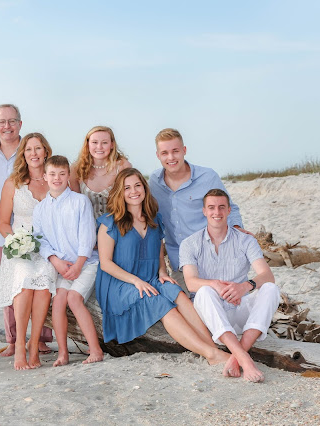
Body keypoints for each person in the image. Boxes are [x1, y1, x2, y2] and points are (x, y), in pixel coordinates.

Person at [96, 168, 230, 366]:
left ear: (144, 188)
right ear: (120, 192)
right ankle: (210, 354)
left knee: (178, 293)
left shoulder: (153, 219)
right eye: (127, 188)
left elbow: (159, 253)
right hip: (120, 284)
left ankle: (211, 345)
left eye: (137, 185)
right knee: (160, 303)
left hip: (150, 277)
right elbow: (105, 263)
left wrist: (162, 272)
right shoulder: (110, 223)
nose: (133, 191)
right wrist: (136, 281)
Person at [180, 189, 281, 383]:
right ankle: (245, 359)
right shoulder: (190, 244)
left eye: (221, 207)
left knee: (270, 288)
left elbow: (267, 275)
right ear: (204, 211)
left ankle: (237, 356)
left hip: (241, 311)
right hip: (213, 318)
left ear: (228, 211)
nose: (216, 212)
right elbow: (191, 282)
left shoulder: (246, 240)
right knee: (204, 292)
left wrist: (244, 287)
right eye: (211, 208)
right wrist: (215, 285)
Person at [0, 104, 53, 357]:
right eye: (1, 122)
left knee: (41, 284)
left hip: (48, 243)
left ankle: (41, 339)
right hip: (9, 237)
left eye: (12, 121)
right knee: (18, 284)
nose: (7, 126)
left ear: (19, 124)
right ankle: (15, 342)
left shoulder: (50, 172)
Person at [149, 128, 250, 294]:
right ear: (158, 155)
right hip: (181, 263)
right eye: (165, 153)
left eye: (175, 151)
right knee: (194, 311)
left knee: (225, 304)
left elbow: (230, 207)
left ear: (184, 150)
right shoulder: (154, 182)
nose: (171, 157)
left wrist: (237, 230)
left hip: (215, 260)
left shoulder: (207, 177)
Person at [33, 155, 104, 367]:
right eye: (52, 174)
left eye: (62, 174)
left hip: (86, 263)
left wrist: (80, 264)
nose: (57, 178)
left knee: (73, 299)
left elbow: (88, 236)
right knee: (59, 302)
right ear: (44, 177)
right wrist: (55, 261)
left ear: (68, 176)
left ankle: (96, 349)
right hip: (63, 266)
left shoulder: (80, 202)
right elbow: (40, 240)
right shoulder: (40, 209)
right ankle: (63, 353)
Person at [0, 133, 57, 370]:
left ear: (45, 151)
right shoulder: (13, 183)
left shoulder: (56, 179)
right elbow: (2, 222)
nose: (34, 153)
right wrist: (15, 242)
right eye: (29, 149)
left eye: (38, 148)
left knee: (42, 285)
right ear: (23, 154)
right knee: (23, 280)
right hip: (20, 247)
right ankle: (20, 344)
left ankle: (35, 343)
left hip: (49, 248)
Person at [69, 126, 131, 219]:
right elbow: (75, 206)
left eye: (104, 142)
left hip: (117, 227)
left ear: (112, 145)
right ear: (87, 144)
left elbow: (130, 201)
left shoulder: (122, 166)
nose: (99, 147)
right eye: (94, 142)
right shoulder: (76, 169)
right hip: (86, 227)